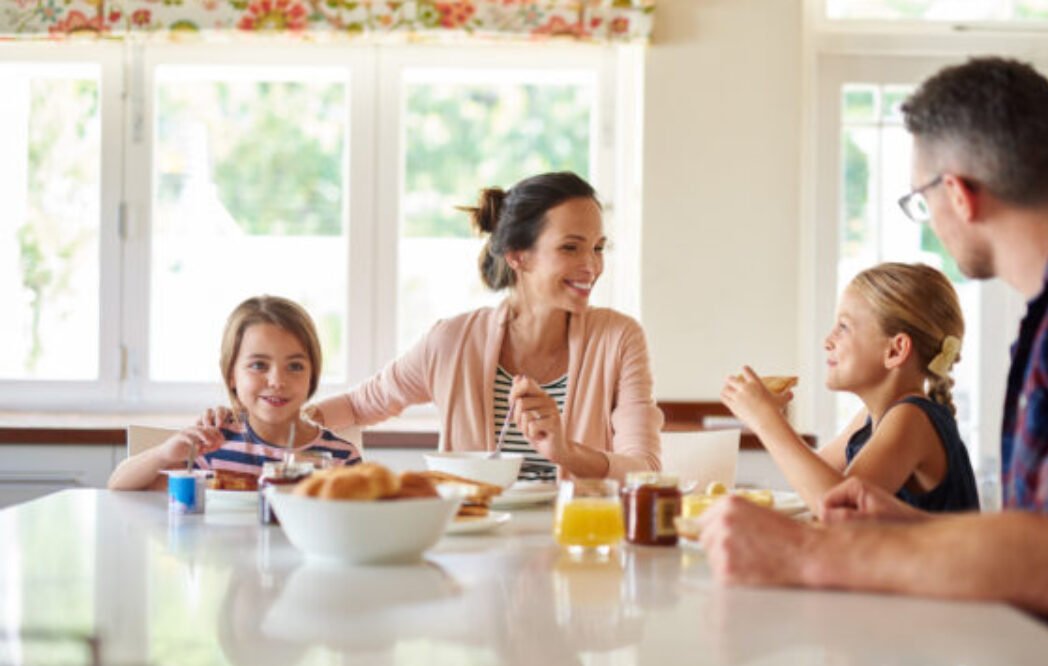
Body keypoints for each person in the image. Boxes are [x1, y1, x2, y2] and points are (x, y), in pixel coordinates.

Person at [698, 57, 1048, 666]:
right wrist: (908, 526)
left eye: (920, 199)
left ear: (957, 193)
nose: (929, 219)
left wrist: (804, 554)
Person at [282, 171, 661, 481]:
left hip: (577, 545)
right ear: (517, 255)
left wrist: (566, 451)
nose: (592, 266)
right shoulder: (451, 341)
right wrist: (263, 422)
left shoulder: (619, 339)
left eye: (598, 247)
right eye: (571, 247)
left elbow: (645, 468)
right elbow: (356, 405)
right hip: (472, 546)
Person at [722, 262, 978, 513]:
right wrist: (773, 416)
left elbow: (839, 507)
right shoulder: (872, 417)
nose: (827, 341)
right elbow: (812, 476)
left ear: (895, 350)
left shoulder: (913, 417)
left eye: (843, 327)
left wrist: (766, 421)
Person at [108, 295, 360, 490]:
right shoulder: (211, 445)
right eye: (258, 365)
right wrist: (163, 454)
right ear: (231, 375)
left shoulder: (340, 458)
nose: (277, 381)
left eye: (295, 366)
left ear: (312, 375)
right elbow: (118, 484)